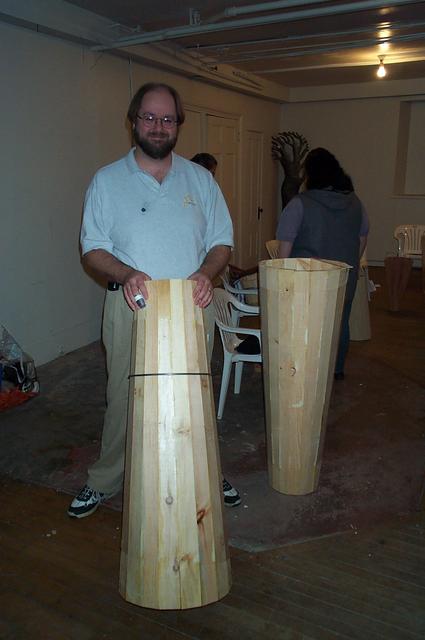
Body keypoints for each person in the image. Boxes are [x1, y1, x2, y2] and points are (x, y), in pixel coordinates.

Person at [68, 82, 241, 518]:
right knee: (124, 395)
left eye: (167, 119)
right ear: (133, 120)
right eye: (149, 117)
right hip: (131, 307)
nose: (158, 126)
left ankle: (206, 472)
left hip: (192, 304)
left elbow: (221, 242)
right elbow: (92, 248)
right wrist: (127, 273)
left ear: (178, 125)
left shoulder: (200, 180)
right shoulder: (107, 181)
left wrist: (206, 272)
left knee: (195, 395)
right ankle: (105, 479)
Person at [276, 147, 369, 379]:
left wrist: (282, 274)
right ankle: (336, 369)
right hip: (344, 276)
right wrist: (349, 261)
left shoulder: (300, 204)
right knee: (340, 322)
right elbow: (362, 237)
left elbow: (284, 247)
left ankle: (307, 372)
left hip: (308, 280)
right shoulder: (355, 203)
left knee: (306, 325)